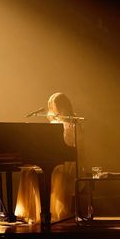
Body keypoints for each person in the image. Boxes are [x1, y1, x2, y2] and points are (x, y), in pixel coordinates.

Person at [15, 92, 83, 223]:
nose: (53, 109)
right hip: (54, 159)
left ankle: (50, 213)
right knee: (28, 172)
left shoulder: (74, 124)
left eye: (55, 106)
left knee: (52, 173)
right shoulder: (54, 124)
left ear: (62, 106)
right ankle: (33, 213)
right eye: (51, 106)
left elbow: (76, 148)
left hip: (69, 162)